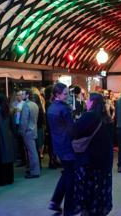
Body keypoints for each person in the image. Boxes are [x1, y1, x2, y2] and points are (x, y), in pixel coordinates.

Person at [72, 93, 113, 216]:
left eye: (88, 100)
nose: (86, 102)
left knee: (88, 192)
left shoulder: (88, 116)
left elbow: (75, 132)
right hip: (105, 161)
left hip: (90, 161)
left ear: (92, 102)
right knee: (100, 190)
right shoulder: (107, 118)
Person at [47, 83, 76, 215]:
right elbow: (71, 129)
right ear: (57, 94)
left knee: (67, 173)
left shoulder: (51, 108)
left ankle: (55, 201)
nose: (68, 95)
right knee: (71, 177)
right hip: (68, 146)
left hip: (58, 145)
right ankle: (69, 210)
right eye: (65, 93)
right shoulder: (65, 109)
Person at [0, 94, 15, 185]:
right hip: (9, 138)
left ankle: (2, 180)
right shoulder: (10, 111)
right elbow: (13, 126)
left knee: (0, 161)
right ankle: (10, 179)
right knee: (9, 160)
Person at [20, 88, 40, 178]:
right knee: (33, 152)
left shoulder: (26, 105)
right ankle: (34, 170)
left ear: (27, 95)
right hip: (34, 130)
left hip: (28, 131)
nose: (21, 96)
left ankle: (34, 172)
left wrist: (22, 132)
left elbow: (24, 121)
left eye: (23, 94)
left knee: (32, 153)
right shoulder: (35, 104)